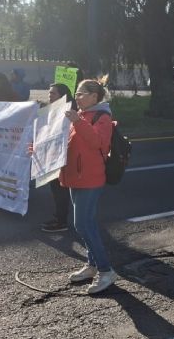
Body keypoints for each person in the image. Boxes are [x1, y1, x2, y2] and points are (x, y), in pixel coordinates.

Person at [60, 79, 116, 294]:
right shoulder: (81, 116)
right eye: (77, 93)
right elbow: (66, 144)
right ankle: (93, 265)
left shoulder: (103, 117)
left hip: (90, 179)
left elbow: (97, 143)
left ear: (95, 96)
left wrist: (77, 121)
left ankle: (106, 270)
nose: (77, 97)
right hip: (76, 176)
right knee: (86, 223)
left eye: (82, 93)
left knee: (83, 224)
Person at [40, 83, 75, 233]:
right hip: (53, 155)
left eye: (53, 93)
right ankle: (61, 218)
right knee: (57, 189)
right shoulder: (54, 109)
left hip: (63, 157)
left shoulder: (68, 112)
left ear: (62, 96)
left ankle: (61, 221)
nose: (50, 96)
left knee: (60, 189)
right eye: (49, 93)